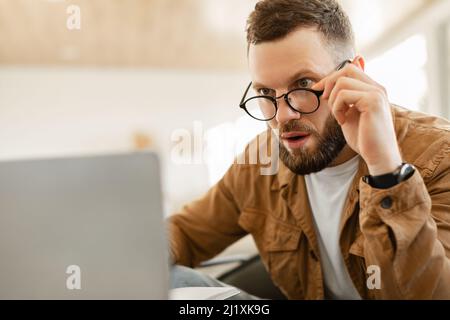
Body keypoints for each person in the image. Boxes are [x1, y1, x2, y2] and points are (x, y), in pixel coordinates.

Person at [168, 0, 450, 299]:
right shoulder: (261, 160)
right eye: (265, 92)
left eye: (303, 83)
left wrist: (386, 170)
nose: (281, 116)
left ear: (354, 74)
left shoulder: (439, 154)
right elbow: (186, 231)